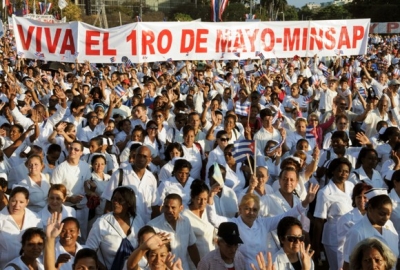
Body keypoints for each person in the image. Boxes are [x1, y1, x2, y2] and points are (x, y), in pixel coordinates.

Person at [207, 167, 319, 270]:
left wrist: (305, 202)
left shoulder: (263, 223)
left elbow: (287, 215)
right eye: (247, 208)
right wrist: (211, 197)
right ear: (240, 209)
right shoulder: (233, 224)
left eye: (254, 210)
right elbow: (213, 219)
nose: (251, 213)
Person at [87, 186, 145, 269]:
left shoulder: (137, 220)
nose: (115, 202)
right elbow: (89, 251)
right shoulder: (102, 222)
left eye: (120, 200)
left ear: (129, 203)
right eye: (114, 199)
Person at [312, 157, 354, 270]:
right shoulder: (325, 192)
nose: (343, 174)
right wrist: (316, 246)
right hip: (334, 238)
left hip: (351, 235)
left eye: (346, 171)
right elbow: (319, 221)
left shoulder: (351, 186)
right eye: (340, 170)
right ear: (333, 171)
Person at [102, 145, 160, 224]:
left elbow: (155, 205)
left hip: (145, 224)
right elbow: (109, 202)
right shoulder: (119, 174)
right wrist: (107, 224)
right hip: (123, 225)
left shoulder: (151, 178)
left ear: (150, 160)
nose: (141, 159)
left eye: (145, 156)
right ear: (134, 157)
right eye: (139, 155)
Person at [343, 189, 399, 270]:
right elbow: (348, 265)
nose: (386, 218)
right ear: (370, 209)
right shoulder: (356, 232)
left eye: (389, 214)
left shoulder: (389, 225)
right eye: (382, 214)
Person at [51, 140, 91, 240]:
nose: (72, 151)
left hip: (82, 207)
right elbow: (55, 191)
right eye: (70, 148)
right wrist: (69, 199)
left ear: (81, 153)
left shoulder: (85, 167)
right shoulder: (60, 168)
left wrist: (91, 190)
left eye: (76, 149)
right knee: (65, 235)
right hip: (66, 208)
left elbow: (86, 184)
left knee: (82, 236)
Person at [147, 193, 200, 270]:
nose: (169, 210)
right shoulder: (153, 226)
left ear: (181, 208)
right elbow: (148, 253)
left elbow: (192, 247)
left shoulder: (186, 221)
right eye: (167, 207)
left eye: (173, 207)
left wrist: (200, 267)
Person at [0, 186, 43, 268]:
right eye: (14, 201)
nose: (17, 205)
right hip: (5, 266)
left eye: (21, 202)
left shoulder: (35, 219)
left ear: (27, 202)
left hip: (30, 266)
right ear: (9, 200)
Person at [337, 182, 373, 268]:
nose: (361, 200)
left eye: (365, 197)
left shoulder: (375, 216)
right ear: (354, 199)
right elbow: (341, 247)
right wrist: (341, 266)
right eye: (358, 197)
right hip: (354, 261)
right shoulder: (346, 219)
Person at [182, 180, 215, 261]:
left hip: (212, 256)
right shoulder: (184, 215)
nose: (202, 203)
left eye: (205, 199)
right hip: (194, 261)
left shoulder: (208, 210)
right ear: (192, 197)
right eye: (199, 199)